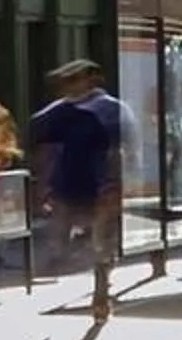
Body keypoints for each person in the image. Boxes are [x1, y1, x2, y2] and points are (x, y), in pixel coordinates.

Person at [28, 59, 125, 318]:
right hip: (66, 186)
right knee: (61, 238)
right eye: (64, 81)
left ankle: (100, 292)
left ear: (91, 80)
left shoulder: (110, 110)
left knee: (101, 244)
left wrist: (115, 184)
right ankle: (80, 256)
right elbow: (45, 148)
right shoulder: (59, 111)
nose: (66, 86)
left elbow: (121, 151)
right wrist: (42, 184)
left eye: (73, 80)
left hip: (100, 186)